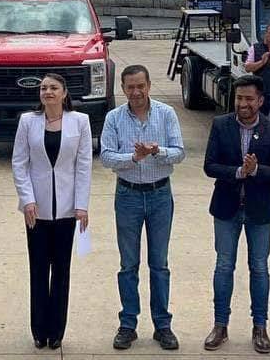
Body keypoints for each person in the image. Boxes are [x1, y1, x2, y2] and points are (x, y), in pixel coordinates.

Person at [100, 65, 185, 351]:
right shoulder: (113, 118)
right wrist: (134, 158)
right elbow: (107, 157)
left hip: (160, 195)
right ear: (123, 89)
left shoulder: (166, 113)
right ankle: (128, 324)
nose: (136, 92)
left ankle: (162, 325)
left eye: (141, 86)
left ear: (149, 85)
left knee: (159, 264)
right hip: (128, 195)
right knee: (128, 264)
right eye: (130, 87)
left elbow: (179, 152)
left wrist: (157, 151)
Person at [202, 75, 270, 354]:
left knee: (259, 268)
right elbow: (210, 166)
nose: (243, 104)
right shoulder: (221, 125)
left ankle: (260, 327)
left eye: (249, 99)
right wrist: (239, 172)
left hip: (259, 211)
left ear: (260, 101)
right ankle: (220, 325)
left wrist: (256, 170)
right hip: (226, 208)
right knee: (223, 266)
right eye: (239, 98)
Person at [11, 73, 93, 350]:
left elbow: (83, 165)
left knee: (61, 270)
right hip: (37, 209)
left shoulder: (80, 121)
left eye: (53, 88)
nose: (48, 92)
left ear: (64, 93)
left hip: (67, 209)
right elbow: (19, 163)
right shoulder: (28, 121)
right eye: (44, 88)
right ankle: (39, 330)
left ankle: (57, 330)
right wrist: (27, 199)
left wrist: (81, 205)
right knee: (38, 269)